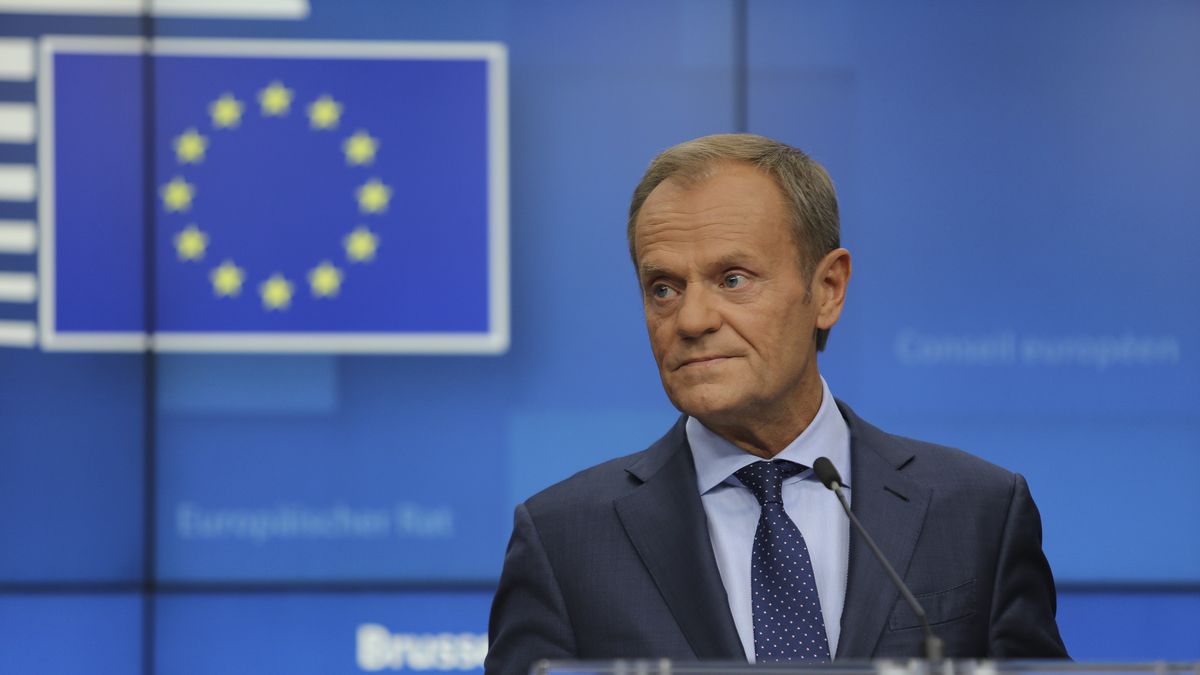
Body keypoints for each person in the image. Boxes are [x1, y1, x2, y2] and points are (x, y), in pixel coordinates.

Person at [485, 134, 1067, 674]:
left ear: (828, 290)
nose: (691, 320)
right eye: (663, 287)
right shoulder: (564, 540)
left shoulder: (977, 512)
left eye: (733, 279)